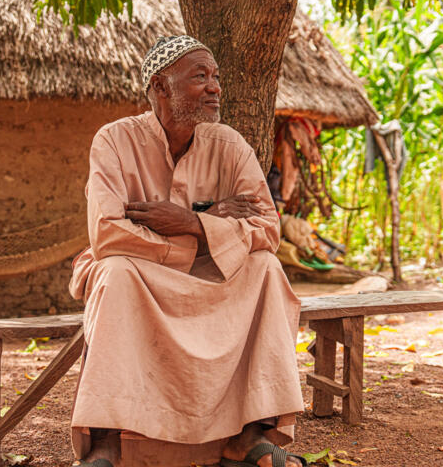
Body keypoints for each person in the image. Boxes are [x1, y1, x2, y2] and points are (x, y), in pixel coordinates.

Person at [68, 35, 307, 467]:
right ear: (161, 87)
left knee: (267, 268)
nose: (215, 87)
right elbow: (107, 233)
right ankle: (106, 443)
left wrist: (194, 223)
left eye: (215, 77)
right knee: (115, 272)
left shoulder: (230, 145)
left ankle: (248, 437)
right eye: (200, 77)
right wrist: (208, 232)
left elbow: (267, 227)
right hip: (141, 275)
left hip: (212, 275)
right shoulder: (114, 141)